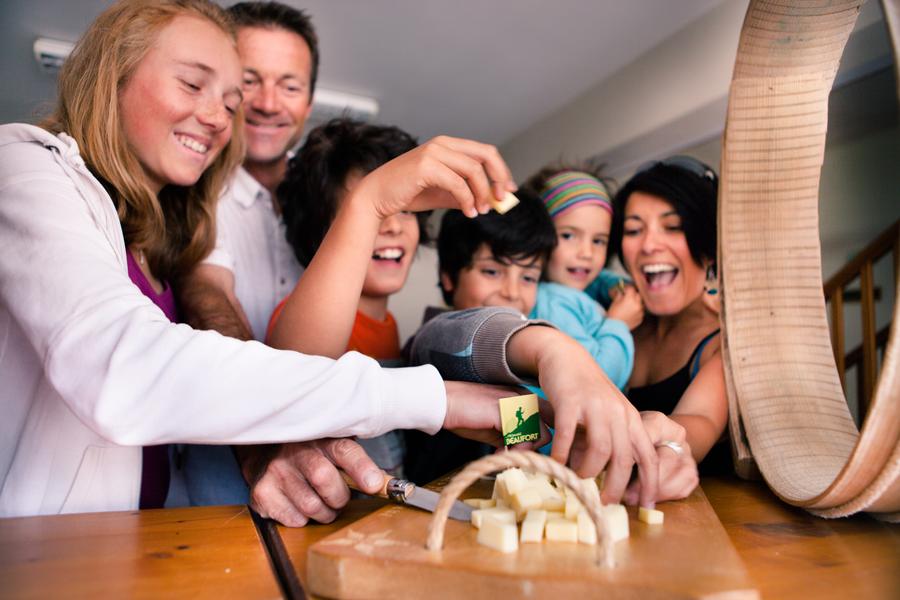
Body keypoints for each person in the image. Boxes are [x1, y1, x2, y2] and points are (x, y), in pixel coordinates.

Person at [0, 0, 528, 519]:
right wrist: (369, 201)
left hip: (151, 525)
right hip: (87, 535)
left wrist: (544, 355)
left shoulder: (161, 219)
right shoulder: (25, 165)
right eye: (193, 83)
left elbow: (463, 359)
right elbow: (129, 367)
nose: (219, 115)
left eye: (230, 101)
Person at [402, 195, 697, 504]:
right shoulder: (431, 340)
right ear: (449, 278)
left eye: (528, 277)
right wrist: (551, 346)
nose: (512, 292)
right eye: (491, 272)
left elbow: (530, 443)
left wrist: (631, 444)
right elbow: (466, 338)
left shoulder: (519, 392)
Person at [268, 118, 429, 476]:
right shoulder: (302, 319)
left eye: (405, 209)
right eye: (372, 211)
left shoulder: (390, 327)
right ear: (320, 232)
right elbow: (293, 387)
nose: (393, 225)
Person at [609, 156, 730, 478]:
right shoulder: (616, 325)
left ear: (708, 246)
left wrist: (665, 438)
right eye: (634, 229)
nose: (649, 244)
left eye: (673, 227)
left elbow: (701, 420)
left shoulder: (723, 346)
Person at [522, 163, 644, 332]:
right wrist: (618, 324)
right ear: (537, 236)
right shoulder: (551, 305)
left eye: (598, 241)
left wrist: (616, 287)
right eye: (568, 236)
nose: (587, 253)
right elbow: (595, 360)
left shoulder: (571, 285)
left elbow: (598, 279)